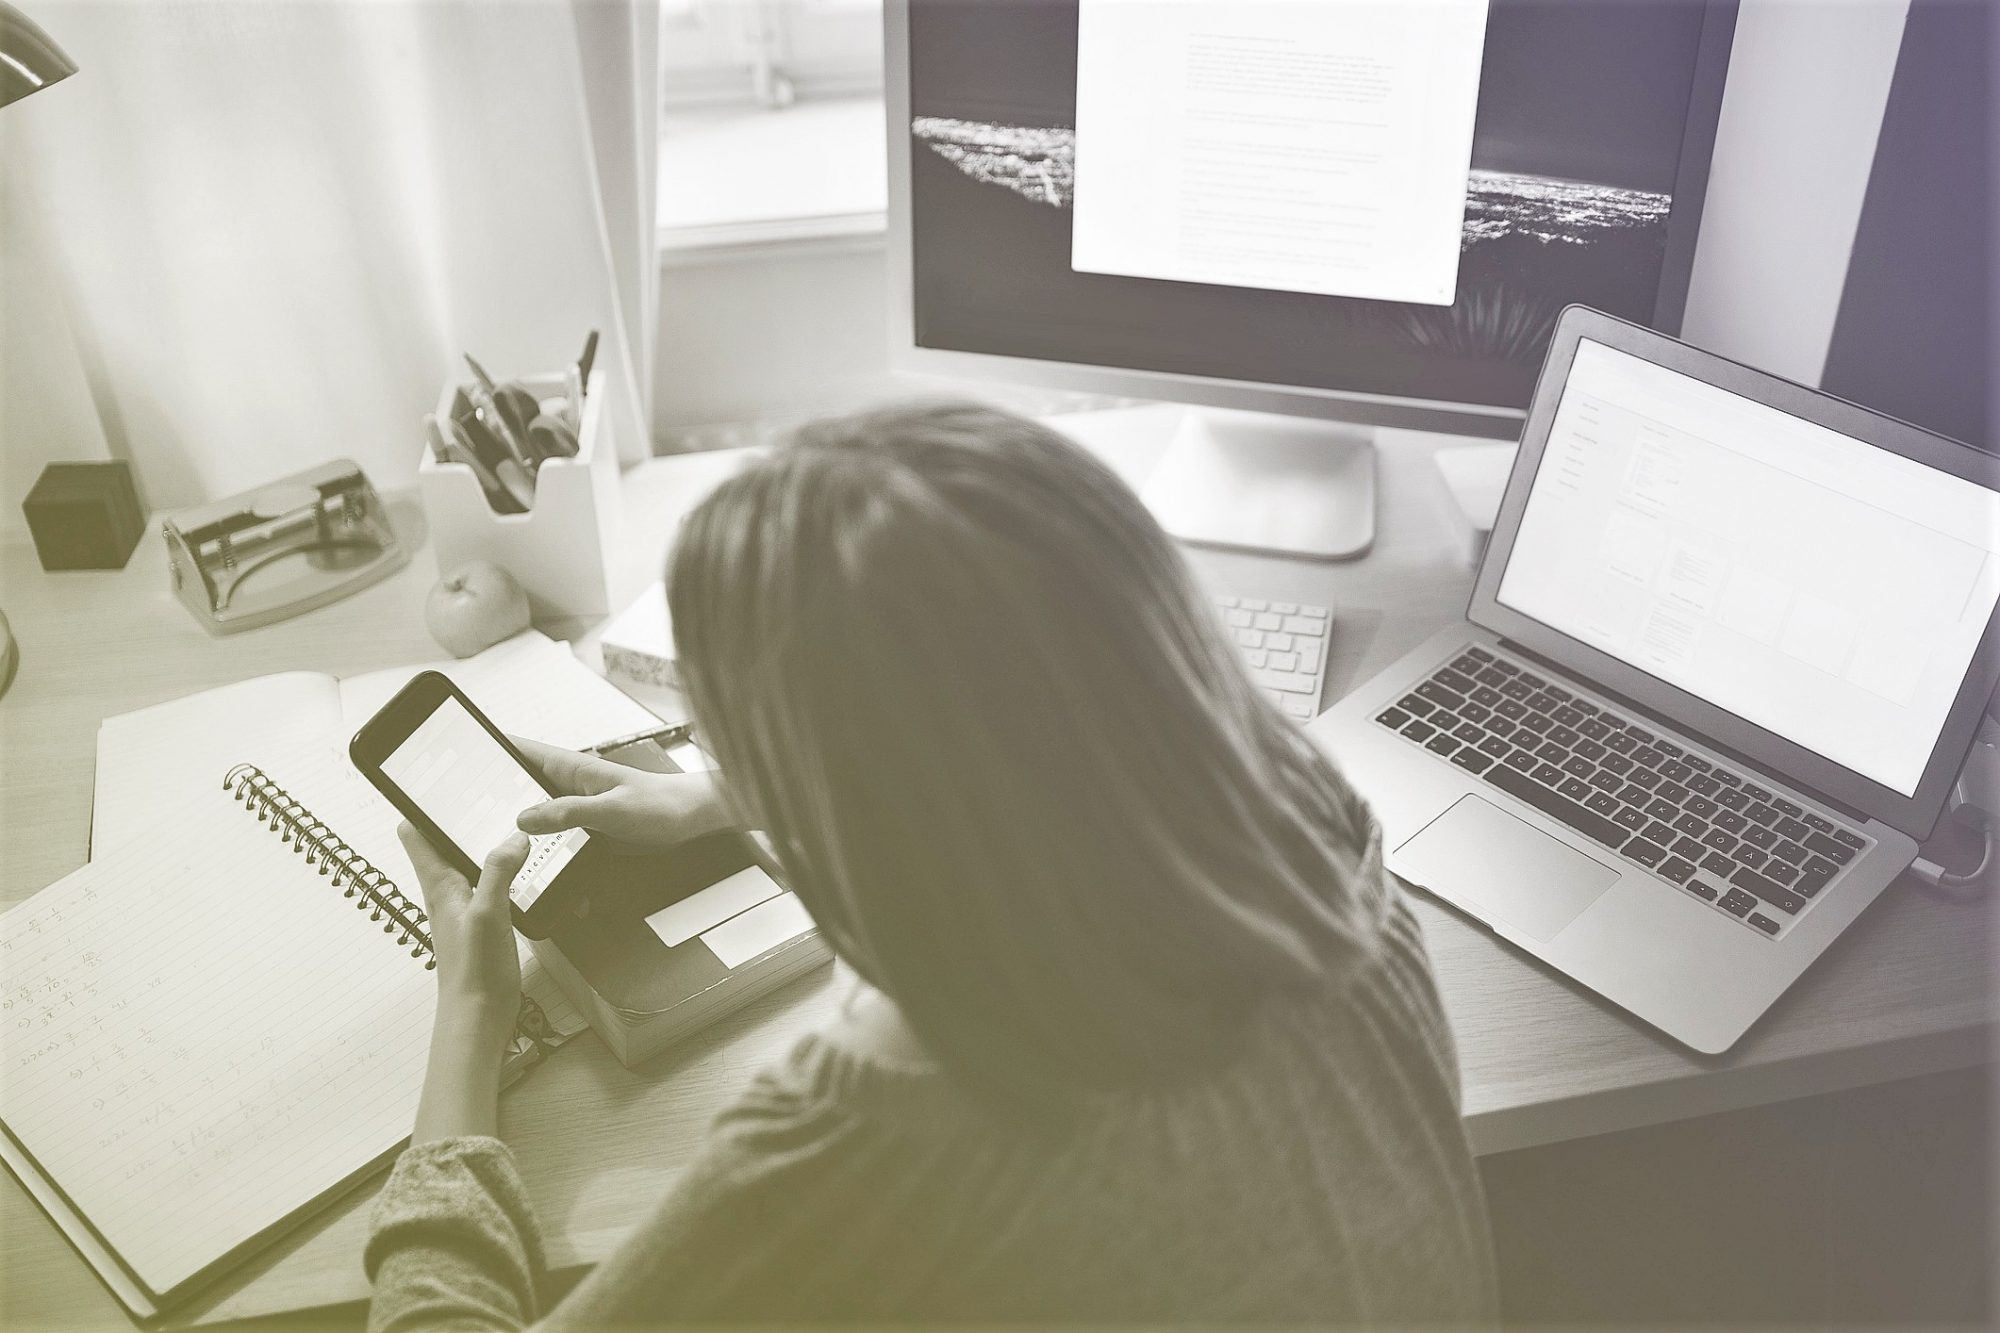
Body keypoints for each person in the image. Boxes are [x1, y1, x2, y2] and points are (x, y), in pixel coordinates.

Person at [367, 401, 1497, 1327]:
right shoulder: (1317, 835)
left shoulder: (869, 1145)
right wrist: (734, 794)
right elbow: (1028, 759)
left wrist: (472, 1017)